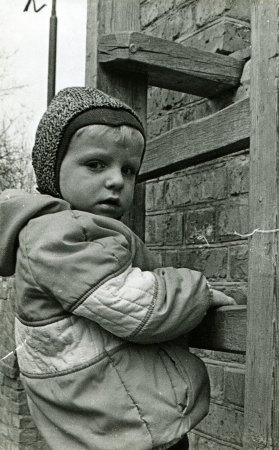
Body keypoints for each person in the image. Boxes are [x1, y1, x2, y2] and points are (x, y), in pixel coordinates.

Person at [0, 87, 235, 450]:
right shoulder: (56, 236)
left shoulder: (80, 233)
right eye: (96, 164)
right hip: (115, 430)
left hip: (114, 422)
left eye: (129, 170)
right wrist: (196, 290)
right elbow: (137, 307)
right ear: (53, 168)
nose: (117, 181)